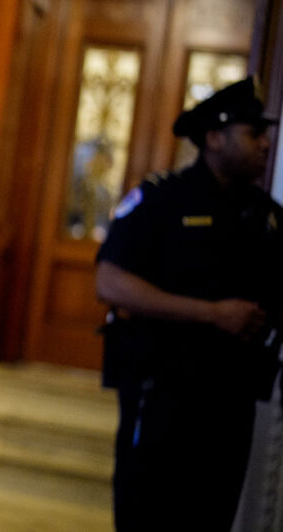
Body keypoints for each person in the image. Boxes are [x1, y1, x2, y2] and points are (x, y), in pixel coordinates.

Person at [96, 77, 283, 531]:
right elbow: (110, 282)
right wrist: (213, 314)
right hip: (163, 396)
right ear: (215, 138)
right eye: (253, 132)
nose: (265, 143)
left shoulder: (266, 216)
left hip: (231, 402)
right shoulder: (162, 198)